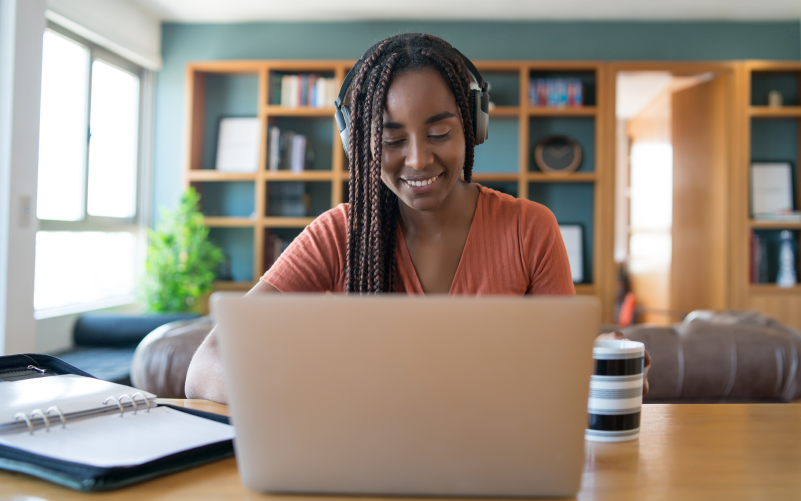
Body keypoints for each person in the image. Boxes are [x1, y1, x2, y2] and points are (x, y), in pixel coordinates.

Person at [186, 33, 649, 403]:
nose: (418, 159)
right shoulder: (338, 234)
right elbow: (207, 365)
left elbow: (559, 376)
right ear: (360, 144)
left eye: (440, 132)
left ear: (473, 127)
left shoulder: (530, 228)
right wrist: (313, 396)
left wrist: (597, 377)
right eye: (391, 140)